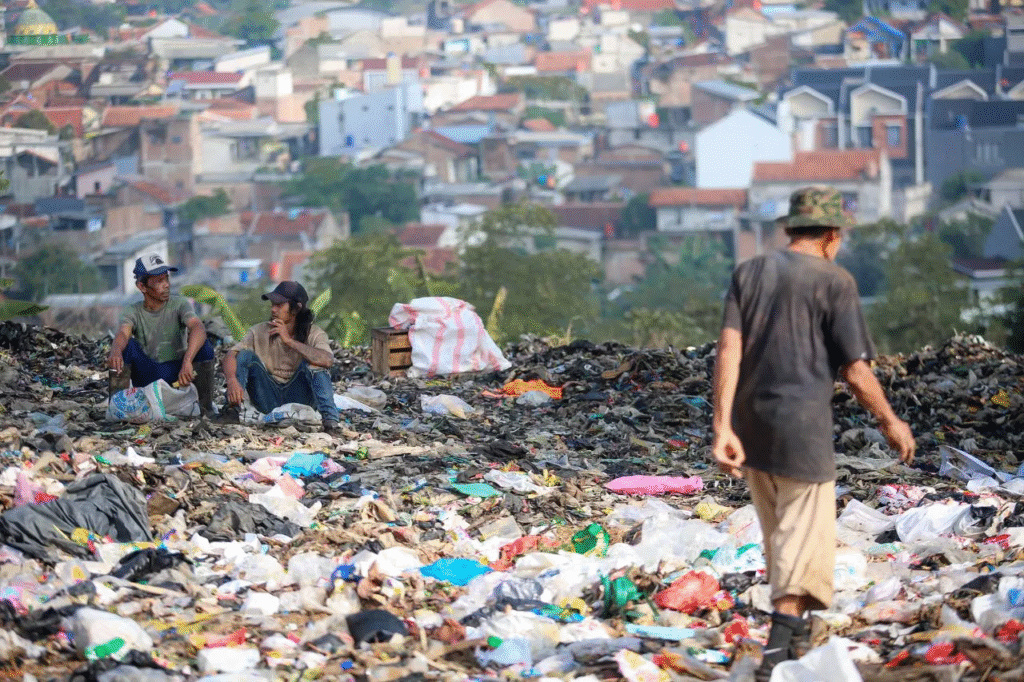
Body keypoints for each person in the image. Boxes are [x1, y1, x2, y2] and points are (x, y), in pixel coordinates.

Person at [710, 186, 916, 681]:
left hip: (751, 428)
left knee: (781, 539)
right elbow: (856, 370)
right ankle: (778, 653)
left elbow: (728, 350)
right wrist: (890, 421)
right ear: (831, 235)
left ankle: (796, 642)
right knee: (803, 543)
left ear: (790, 229)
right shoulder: (835, 281)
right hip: (802, 430)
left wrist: (722, 426)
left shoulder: (749, 272)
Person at [222, 281, 340, 432]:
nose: (273, 309)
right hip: (267, 396)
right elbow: (231, 355)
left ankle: (331, 421)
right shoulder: (259, 331)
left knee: (315, 364)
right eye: (272, 304)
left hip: (301, 397)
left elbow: (327, 360)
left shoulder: (314, 333)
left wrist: (289, 341)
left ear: (296, 308)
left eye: (279, 305)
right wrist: (232, 380)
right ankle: (231, 412)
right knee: (244, 356)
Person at [108, 252, 216, 414]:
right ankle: (117, 408)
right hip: (148, 373)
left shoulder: (179, 304)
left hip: (178, 373)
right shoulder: (133, 310)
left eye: (166, 279)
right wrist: (115, 351)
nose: (166, 284)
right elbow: (123, 333)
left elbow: (197, 327)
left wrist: (188, 360)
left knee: (204, 347)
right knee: (126, 347)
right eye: (159, 281)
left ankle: (206, 409)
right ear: (142, 286)